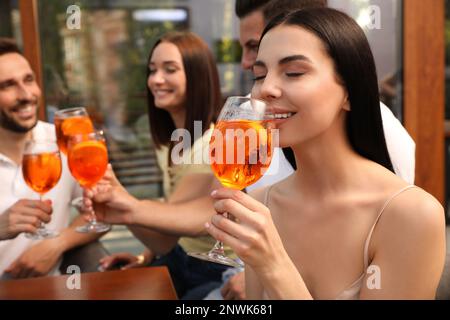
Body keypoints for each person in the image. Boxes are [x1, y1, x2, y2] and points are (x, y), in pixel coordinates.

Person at [205, 8, 446, 299]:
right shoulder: (261, 203)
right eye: (260, 74)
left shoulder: (410, 215)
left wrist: (274, 265)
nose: (265, 89)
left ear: (350, 92)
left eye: (293, 72)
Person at [88, 31, 234, 299]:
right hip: (179, 257)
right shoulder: (170, 143)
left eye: (170, 70)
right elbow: (166, 234)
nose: (156, 80)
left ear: (198, 76)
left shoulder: (216, 144)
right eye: (152, 70)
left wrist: (122, 203)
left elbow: (168, 231)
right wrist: (146, 257)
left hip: (216, 269)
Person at [0, 38, 104, 279]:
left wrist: (58, 243)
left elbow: (99, 211)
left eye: (29, 80)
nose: (26, 95)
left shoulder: (65, 141)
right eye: (7, 85)